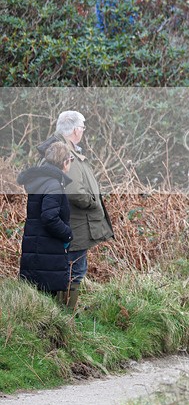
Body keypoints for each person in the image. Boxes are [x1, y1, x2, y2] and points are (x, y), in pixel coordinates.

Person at [37, 111, 113, 308]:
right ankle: (66, 315)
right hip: (75, 224)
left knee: (69, 268)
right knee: (74, 270)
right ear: (75, 130)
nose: (83, 132)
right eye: (83, 128)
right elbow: (73, 191)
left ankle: (62, 313)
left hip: (72, 222)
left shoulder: (62, 148)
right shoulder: (64, 152)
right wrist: (93, 202)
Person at [17, 142, 74, 304]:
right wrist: (67, 234)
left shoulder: (42, 181)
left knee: (36, 300)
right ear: (64, 162)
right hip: (47, 249)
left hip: (37, 247)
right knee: (46, 300)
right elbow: (49, 217)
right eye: (71, 159)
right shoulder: (53, 185)